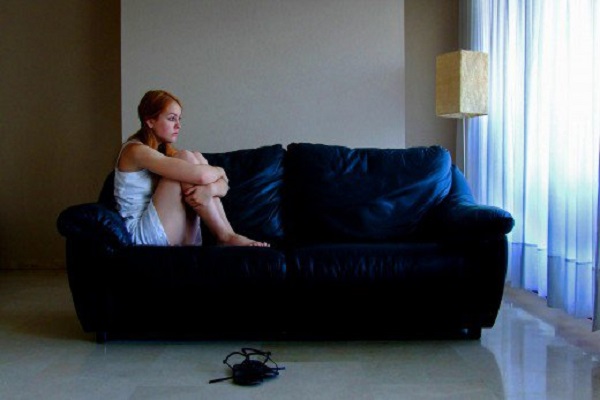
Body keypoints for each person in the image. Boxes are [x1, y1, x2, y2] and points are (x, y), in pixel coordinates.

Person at [114, 89, 268, 247]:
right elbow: (202, 177)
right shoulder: (134, 151)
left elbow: (224, 186)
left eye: (179, 119)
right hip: (140, 237)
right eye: (171, 119)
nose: (178, 125)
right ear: (150, 121)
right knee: (185, 157)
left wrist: (209, 191)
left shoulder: (162, 153)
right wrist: (220, 171)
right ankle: (225, 236)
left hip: (168, 229)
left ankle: (227, 235)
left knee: (194, 157)